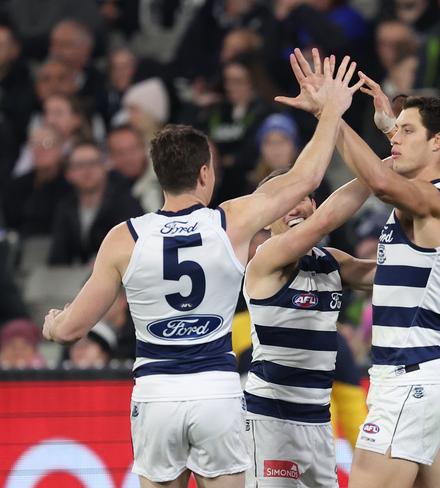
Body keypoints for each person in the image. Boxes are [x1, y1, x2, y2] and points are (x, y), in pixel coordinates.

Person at [41, 54, 363, 488]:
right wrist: (330, 113)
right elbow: (305, 178)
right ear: (205, 172)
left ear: (159, 176)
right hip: (216, 390)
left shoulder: (125, 237)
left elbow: (72, 329)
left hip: (156, 395)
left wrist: (53, 325)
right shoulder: (229, 221)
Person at [277, 48, 440, 488]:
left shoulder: (433, 200)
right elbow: (381, 272)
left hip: (407, 380)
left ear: (437, 141)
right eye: (394, 130)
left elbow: (383, 183)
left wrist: (332, 115)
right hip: (428, 376)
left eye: (407, 130)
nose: (394, 137)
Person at [243, 167, 375, 486]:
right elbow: (327, 221)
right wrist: (384, 170)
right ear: (264, 217)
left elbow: (391, 275)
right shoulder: (266, 260)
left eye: (304, 196)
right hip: (272, 420)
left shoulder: (331, 262)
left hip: (319, 422)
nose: (297, 205)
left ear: (315, 205)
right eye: (285, 198)